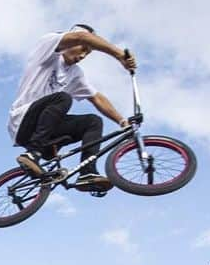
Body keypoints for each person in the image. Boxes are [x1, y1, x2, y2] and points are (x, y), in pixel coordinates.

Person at [8, 25, 137, 192]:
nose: (83, 56)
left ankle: (87, 173)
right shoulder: (48, 47)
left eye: (88, 54)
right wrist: (119, 54)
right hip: (22, 122)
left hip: (46, 133)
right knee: (63, 98)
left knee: (93, 121)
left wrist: (122, 122)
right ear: (71, 39)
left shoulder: (75, 74)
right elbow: (82, 37)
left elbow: (96, 97)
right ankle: (33, 153)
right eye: (83, 50)